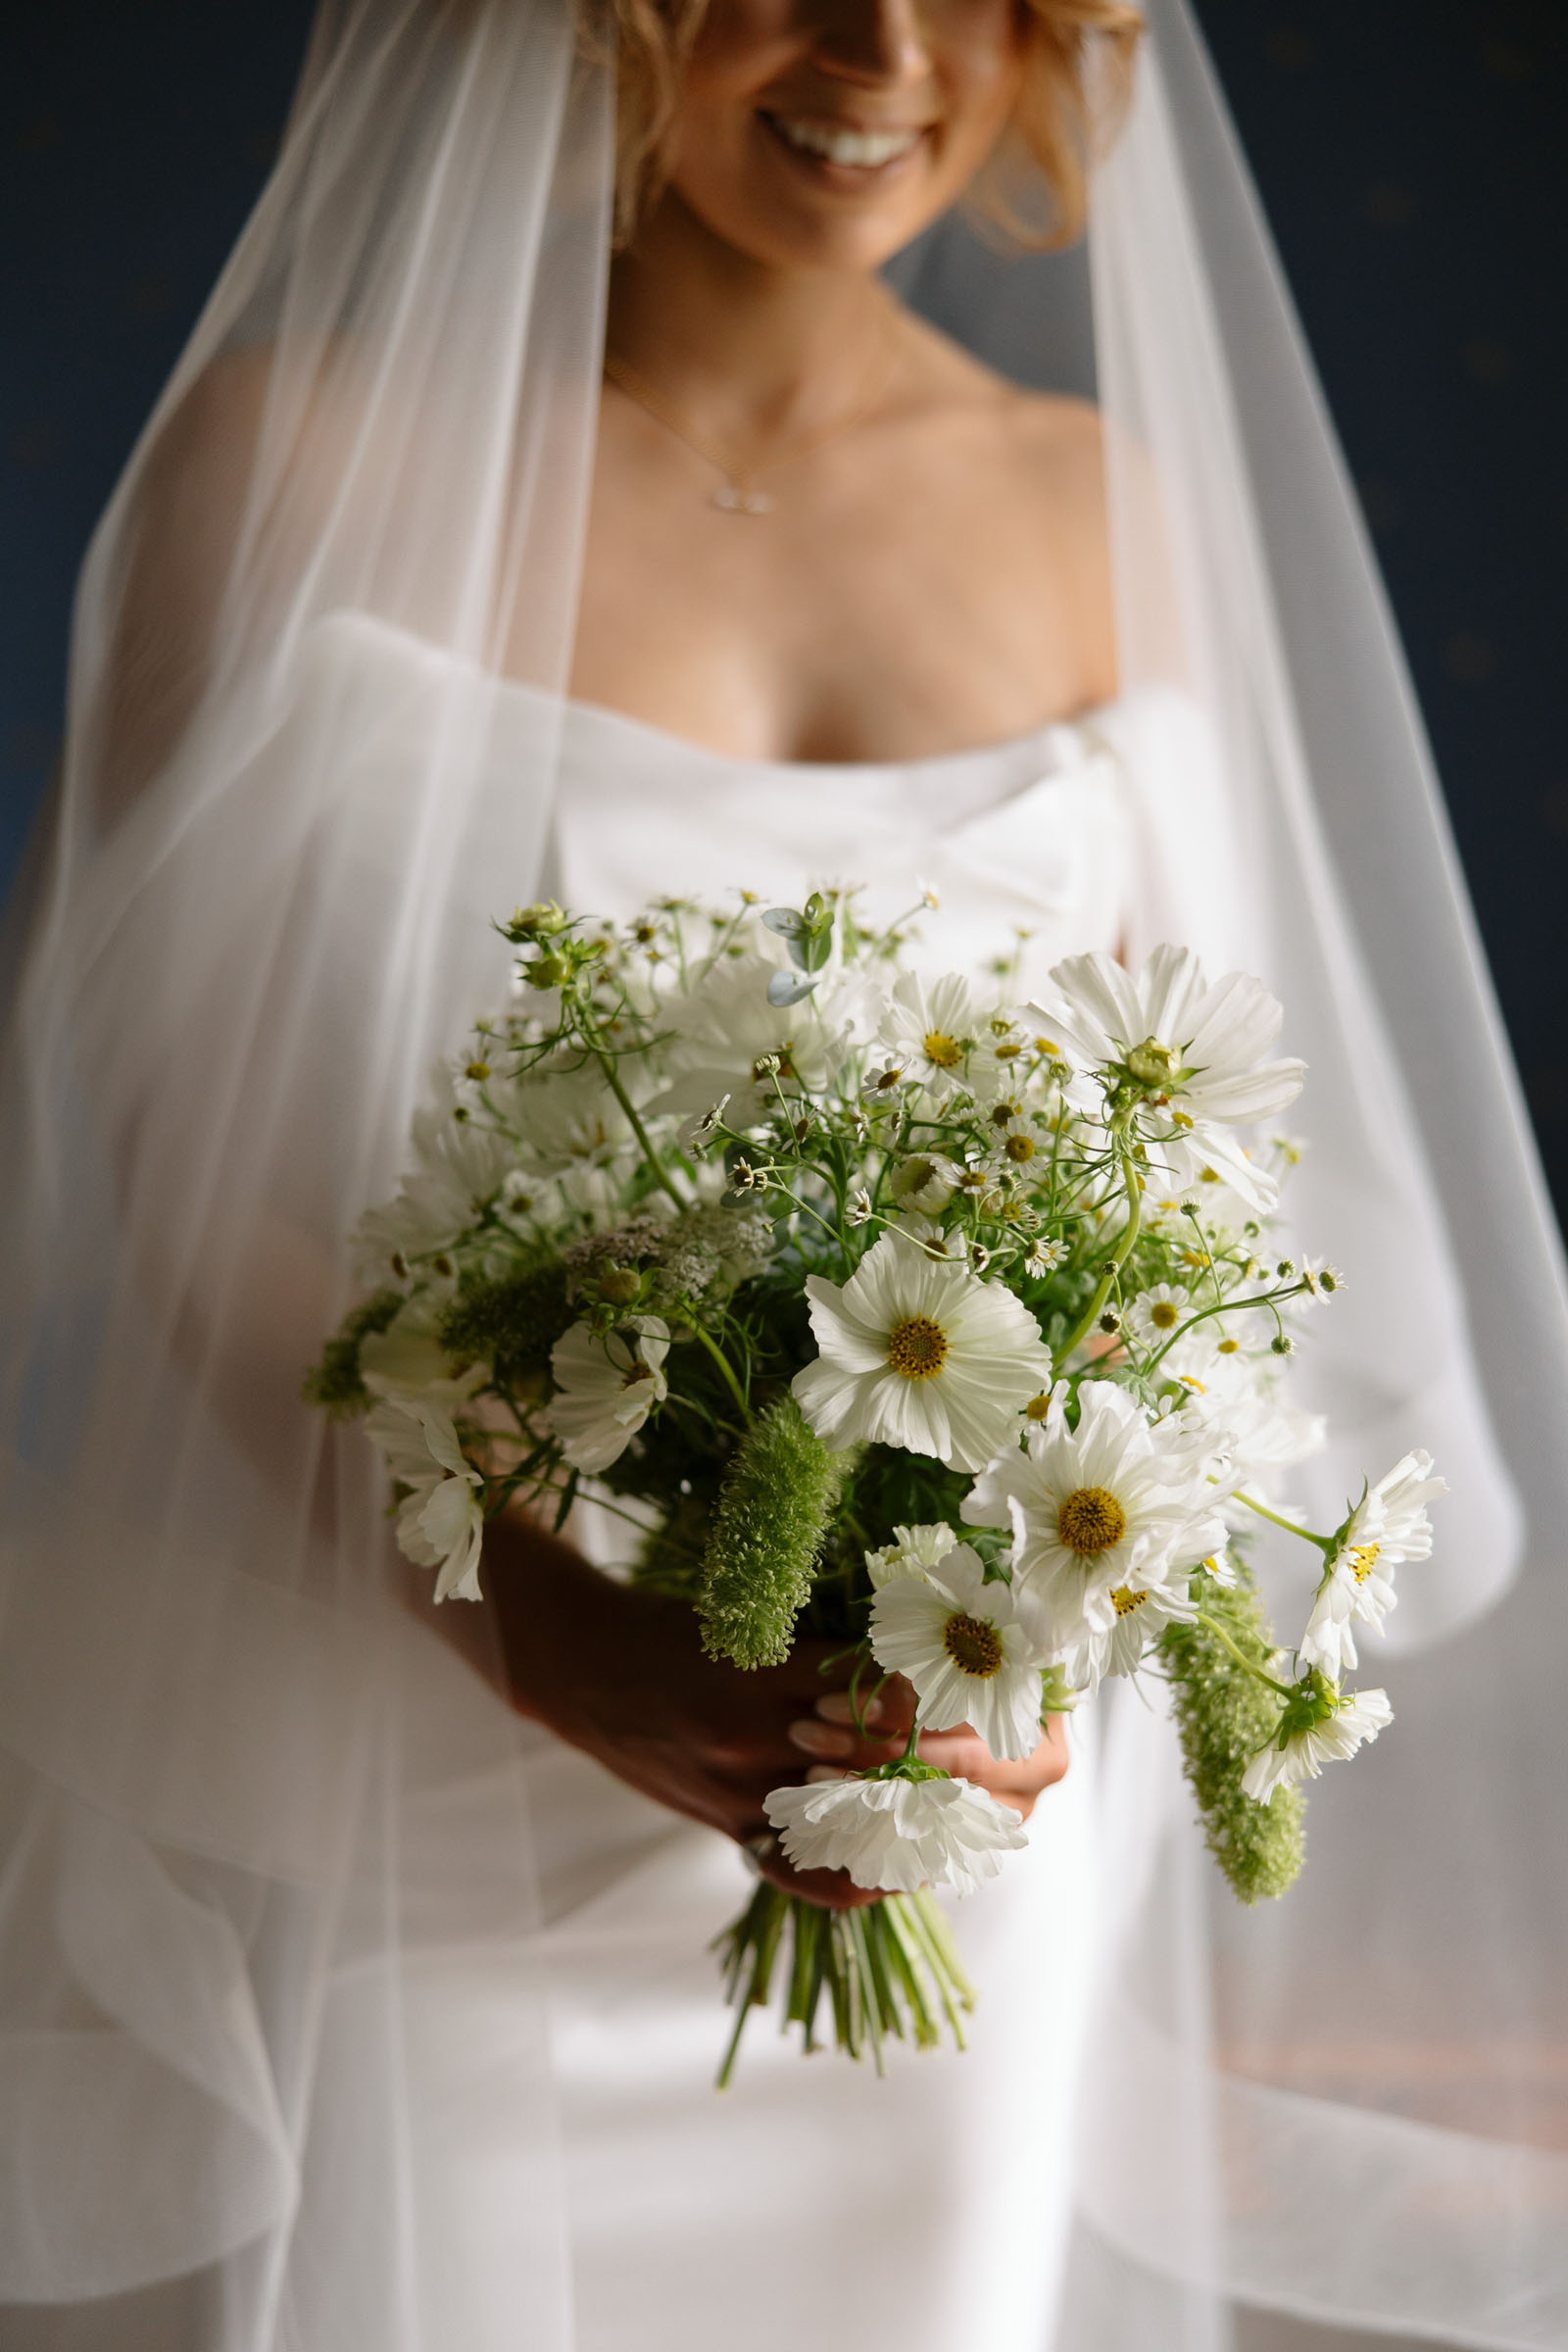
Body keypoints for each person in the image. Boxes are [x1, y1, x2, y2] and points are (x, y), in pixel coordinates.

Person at [2, 2, 1566, 2348]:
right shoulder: (301, 460)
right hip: (433, 1749)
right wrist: (540, 1633)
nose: (883, 46)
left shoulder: (1102, 510)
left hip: (932, 1799)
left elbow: (1210, 1213)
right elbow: (179, 1161)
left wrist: (1041, 1645)